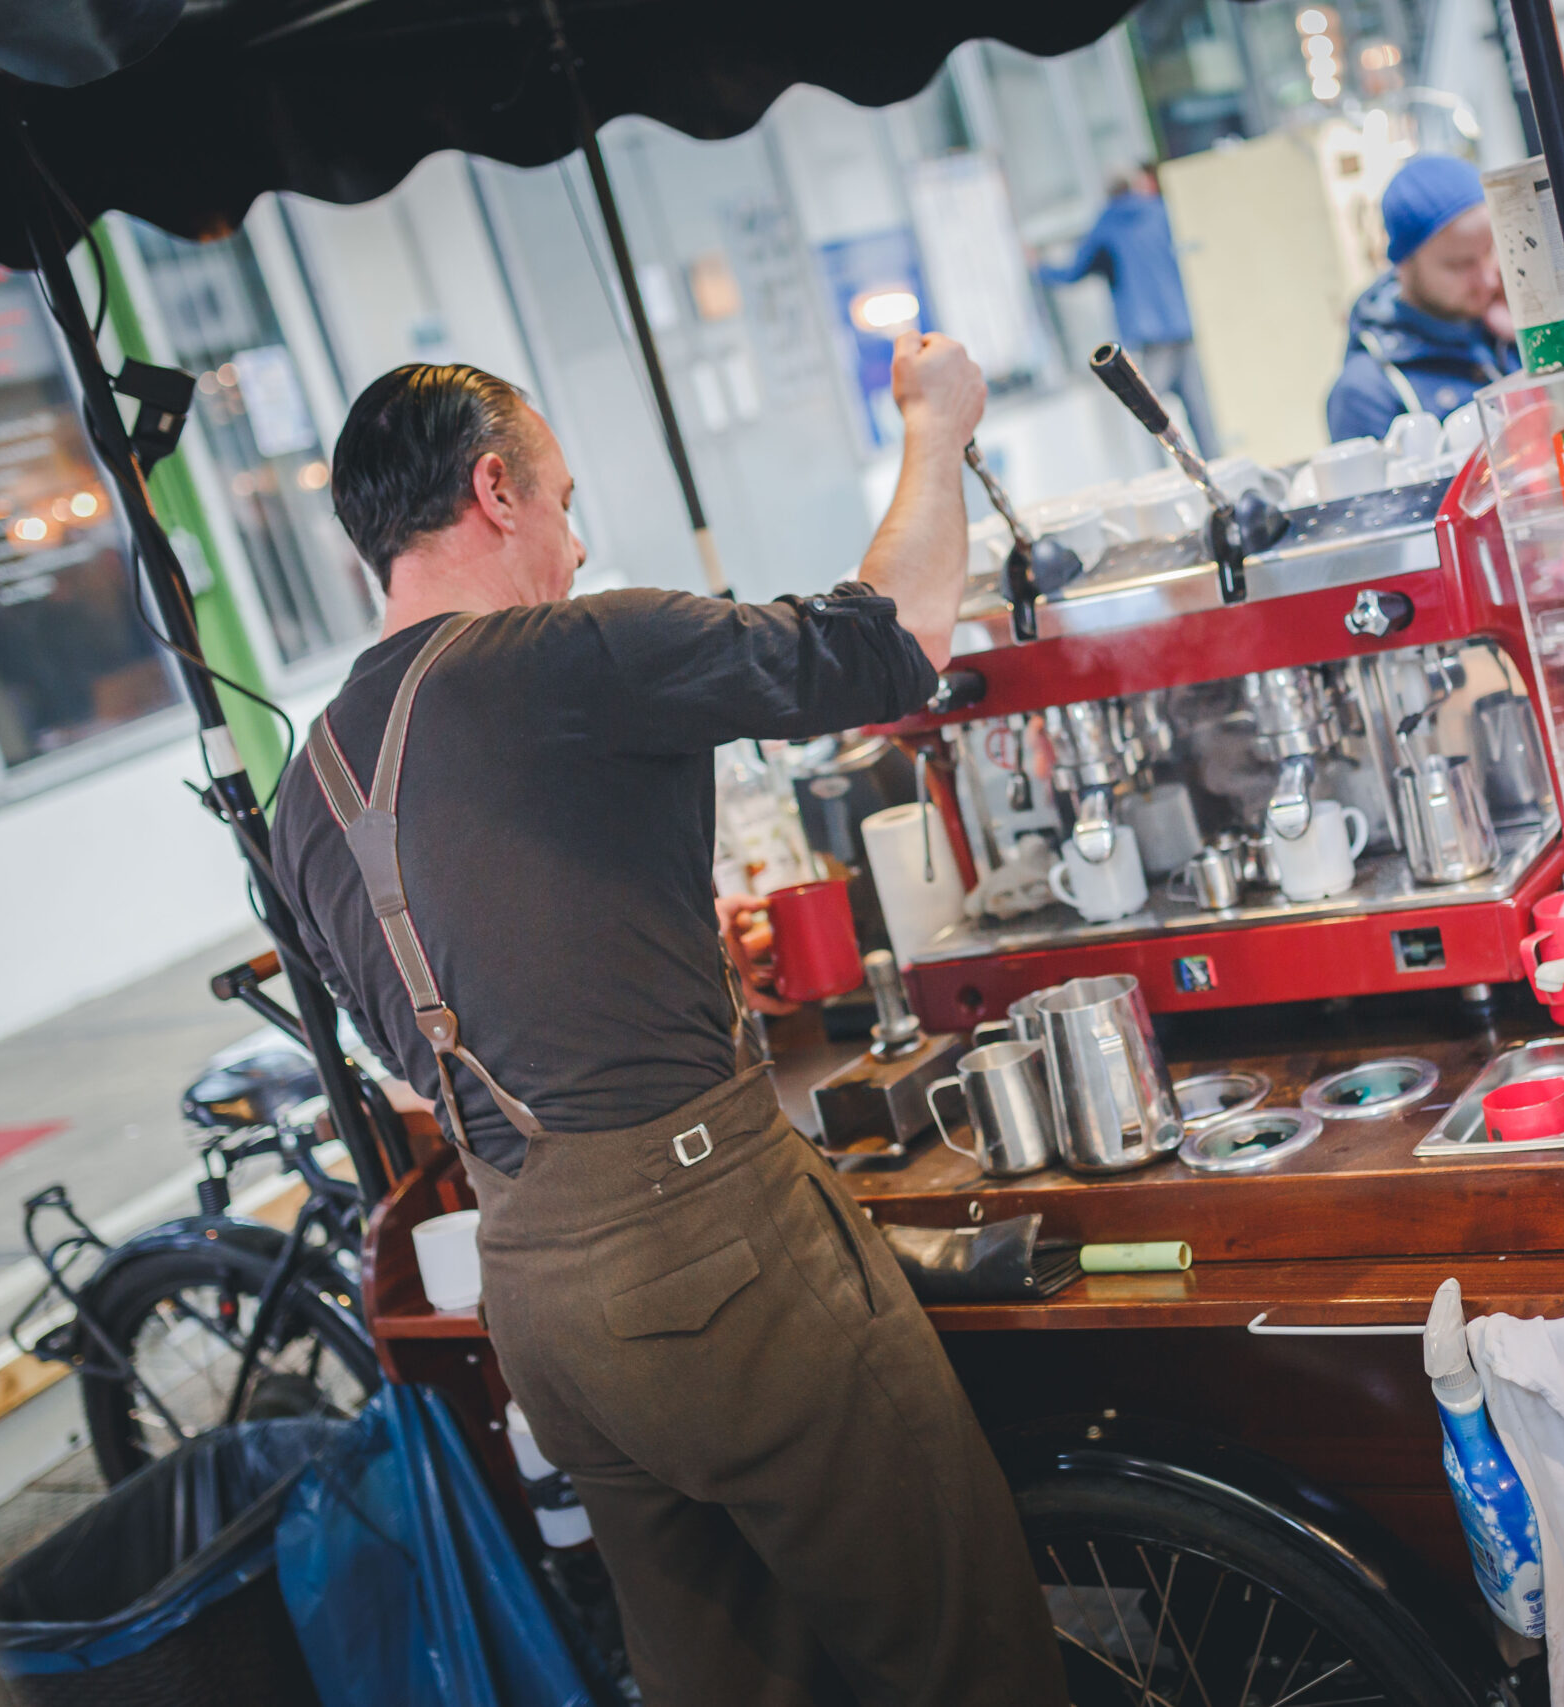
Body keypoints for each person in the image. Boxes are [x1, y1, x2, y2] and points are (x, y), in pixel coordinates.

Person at [270, 349, 1069, 1705]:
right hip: (716, 1266)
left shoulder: (310, 788)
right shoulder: (566, 654)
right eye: (564, 501)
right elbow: (891, 644)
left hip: (540, 1302)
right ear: (494, 490)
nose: (578, 546)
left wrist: (642, 968)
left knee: (726, 1681)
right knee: (960, 1650)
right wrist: (935, 429)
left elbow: (421, 1050)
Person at [1326, 154, 1522, 443]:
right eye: (1460, 265)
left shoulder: (1504, 330)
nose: (1488, 279)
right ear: (1403, 265)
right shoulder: (1366, 393)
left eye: (1489, 251)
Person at [1039, 162, 1218, 454]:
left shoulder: (1107, 224)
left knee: (1149, 414)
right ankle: (1213, 467)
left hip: (1149, 334)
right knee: (1201, 414)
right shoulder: (1160, 211)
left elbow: (1074, 272)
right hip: (1180, 323)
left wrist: (1038, 268)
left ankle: (1164, 473)